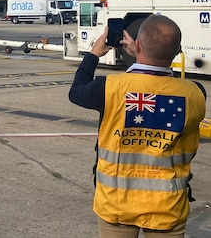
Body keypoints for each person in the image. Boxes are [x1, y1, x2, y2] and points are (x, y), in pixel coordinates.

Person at [69, 15, 206, 238]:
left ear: (139, 45)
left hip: (117, 204)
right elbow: (155, 83)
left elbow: (76, 91)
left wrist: (93, 54)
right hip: (168, 206)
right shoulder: (196, 93)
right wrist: (143, 56)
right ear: (177, 51)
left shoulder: (110, 87)